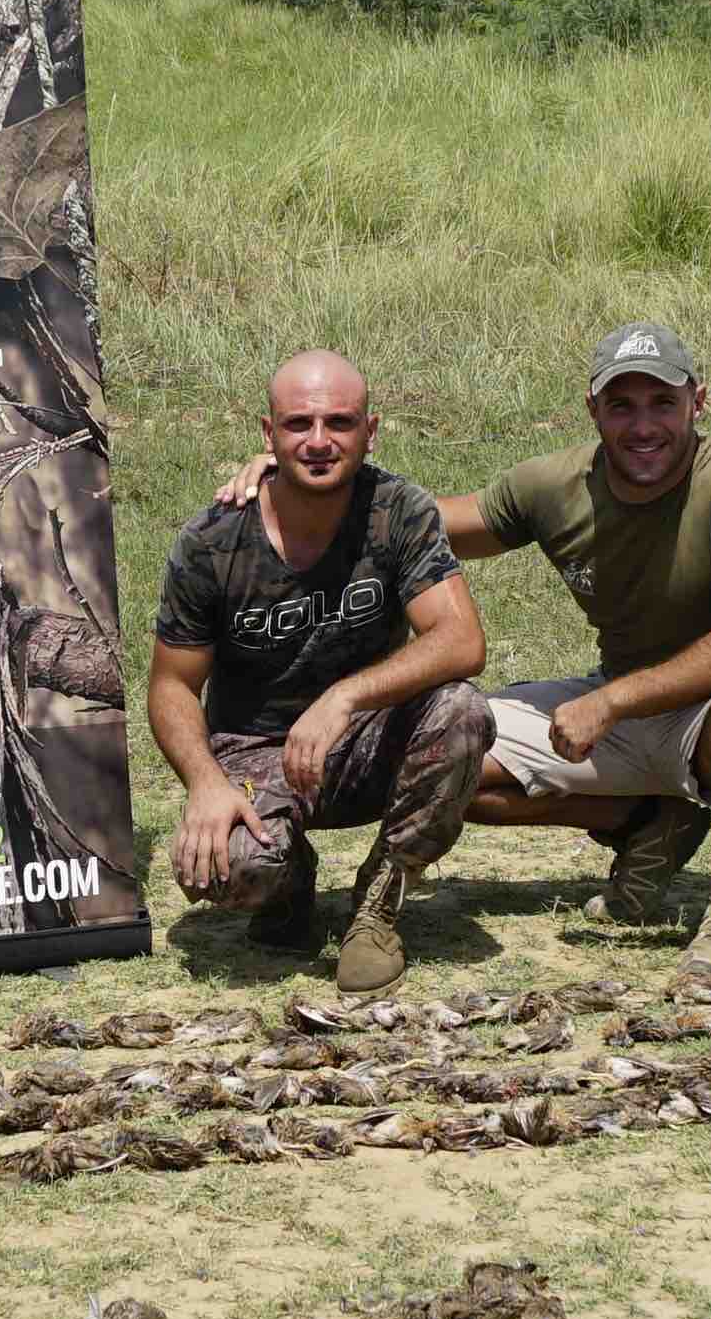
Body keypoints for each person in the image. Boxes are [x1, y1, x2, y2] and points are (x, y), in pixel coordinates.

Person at [448, 318, 711, 979]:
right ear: (593, 410)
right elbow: (431, 525)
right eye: (621, 405)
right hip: (619, 706)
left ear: (697, 402)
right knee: (436, 750)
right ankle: (646, 821)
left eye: (662, 403)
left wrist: (611, 701)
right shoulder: (553, 485)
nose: (643, 426)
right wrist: (299, 480)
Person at [145, 349, 492, 995]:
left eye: (339, 422)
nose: (319, 441)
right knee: (226, 870)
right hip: (252, 752)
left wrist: (344, 698)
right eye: (299, 424)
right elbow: (170, 686)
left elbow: (461, 639)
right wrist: (204, 784)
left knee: (463, 710)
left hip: (360, 741)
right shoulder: (211, 543)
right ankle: (287, 883)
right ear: (267, 433)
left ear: (371, 429)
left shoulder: (398, 512)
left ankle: (379, 904)